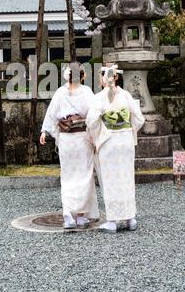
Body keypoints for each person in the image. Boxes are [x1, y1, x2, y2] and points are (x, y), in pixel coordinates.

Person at [40, 63, 99, 229]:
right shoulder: (86, 92)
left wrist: (44, 131)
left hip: (66, 139)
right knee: (84, 175)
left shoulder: (60, 92)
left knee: (68, 175)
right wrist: (97, 137)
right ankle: (80, 215)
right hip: (81, 138)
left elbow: (51, 114)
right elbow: (94, 117)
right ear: (82, 76)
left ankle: (68, 213)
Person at [86, 64, 145, 233]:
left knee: (110, 180)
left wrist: (99, 135)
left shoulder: (99, 97)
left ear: (104, 79)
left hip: (109, 142)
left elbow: (91, 122)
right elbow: (139, 119)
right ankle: (130, 219)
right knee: (126, 178)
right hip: (125, 141)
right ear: (116, 77)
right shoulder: (126, 95)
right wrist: (128, 130)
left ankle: (112, 221)